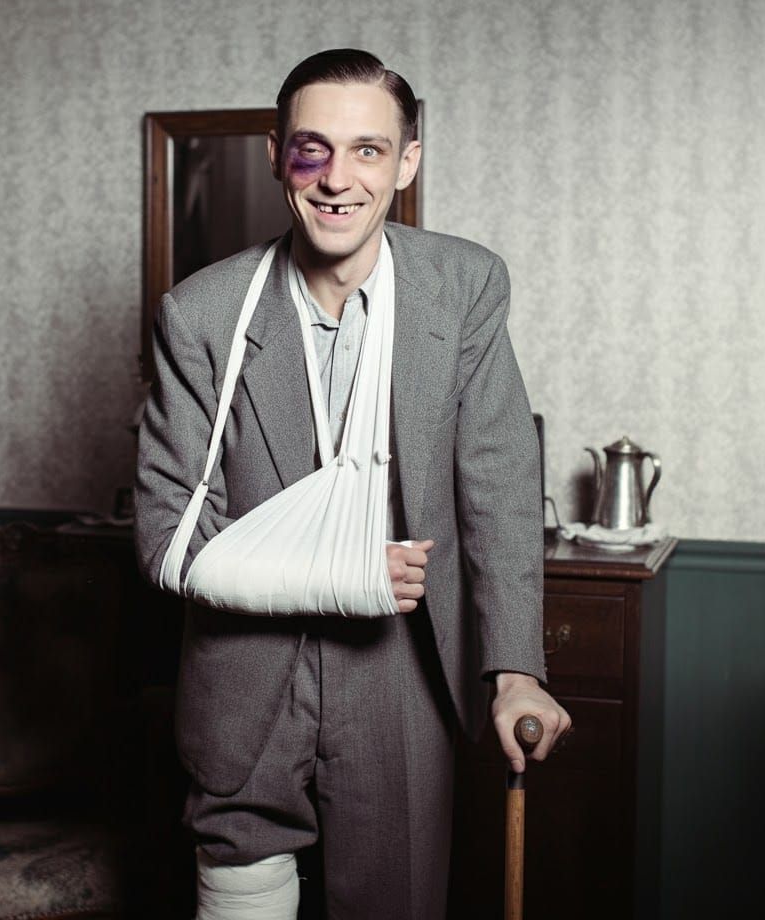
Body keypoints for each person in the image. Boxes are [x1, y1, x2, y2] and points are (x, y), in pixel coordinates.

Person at [135, 48, 572, 920]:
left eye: (368, 150)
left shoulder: (463, 288)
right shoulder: (201, 314)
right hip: (243, 666)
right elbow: (166, 534)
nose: (337, 179)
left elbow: (499, 483)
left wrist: (516, 667)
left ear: (407, 162)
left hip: (400, 668)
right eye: (312, 149)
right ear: (275, 155)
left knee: (398, 897)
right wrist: (341, 565)